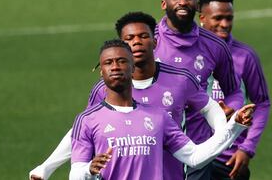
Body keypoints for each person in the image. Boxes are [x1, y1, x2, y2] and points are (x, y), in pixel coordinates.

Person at [29, 12, 228, 180]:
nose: (137, 43)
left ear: (155, 41)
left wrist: (223, 133)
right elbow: (82, 131)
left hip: (173, 173)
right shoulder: (105, 88)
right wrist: (47, 167)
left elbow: (209, 107)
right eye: (129, 39)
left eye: (143, 36)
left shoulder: (180, 79)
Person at [69, 39, 254, 180]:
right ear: (101, 71)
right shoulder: (86, 120)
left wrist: (234, 127)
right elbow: (75, 174)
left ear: (133, 67)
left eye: (121, 61)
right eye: (108, 63)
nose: (115, 67)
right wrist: (88, 170)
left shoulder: (158, 117)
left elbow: (194, 156)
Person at [154, 0, 244, 179]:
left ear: (196, 5)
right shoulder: (147, 41)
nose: (183, 2)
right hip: (154, 146)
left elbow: (234, 91)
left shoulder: (215, 46)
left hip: (198, 146)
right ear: (163, 4)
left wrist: (231, 107)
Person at [199, 0, 270, 180]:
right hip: (192, 155)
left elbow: (262, 103)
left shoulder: (245, 56)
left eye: (229, 18)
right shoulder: (186, 54)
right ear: (202, 18)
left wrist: (247, 148)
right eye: (218, 18)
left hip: (229, 159)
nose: (224, 24)